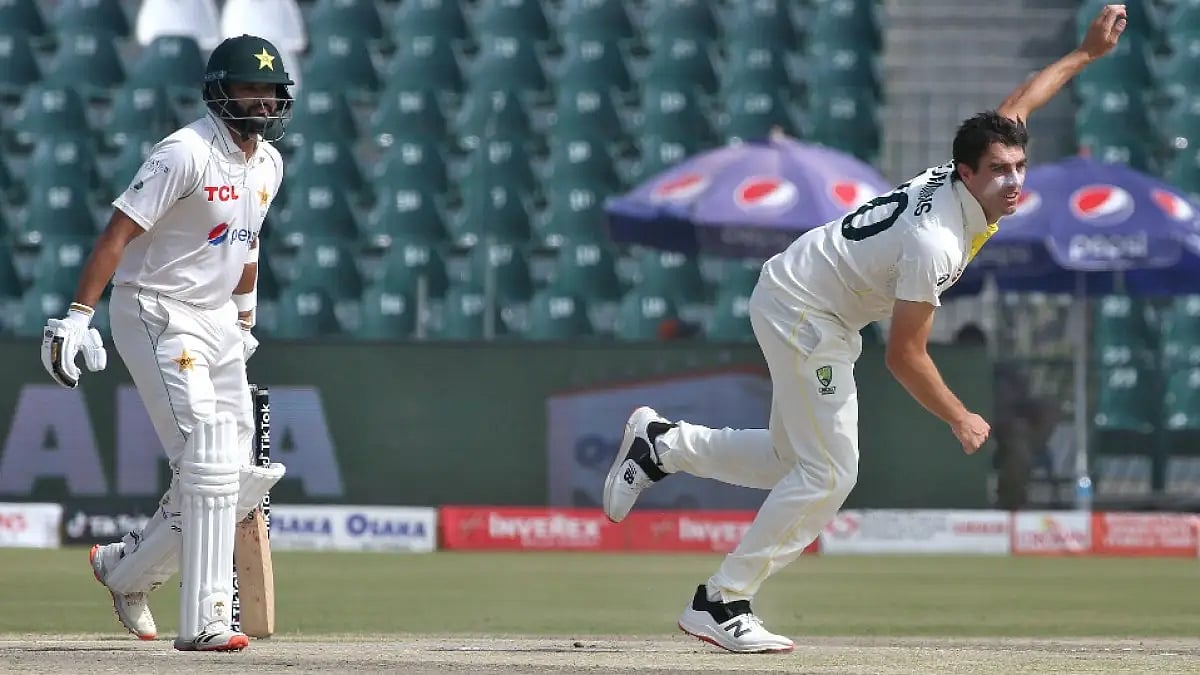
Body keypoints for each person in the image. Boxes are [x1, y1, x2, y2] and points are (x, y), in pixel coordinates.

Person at [602, 5, 1128, 654]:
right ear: (966, 172)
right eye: (999, 169)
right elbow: (905, 356)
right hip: (805, 308)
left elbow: (1021, 101)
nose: (1014, 179)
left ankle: (664, 444)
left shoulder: (972, 176)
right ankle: (722, 598)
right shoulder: (935, 241)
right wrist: (960, 415)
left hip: (808, 297)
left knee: (792, 461)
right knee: (829, 473)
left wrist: (1085, 55)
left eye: (1019, 165)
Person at [39, 34, 291, 652]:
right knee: (206, 461)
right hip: (156, 310)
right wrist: (77, 316)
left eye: (270, 90)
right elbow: (118, 233)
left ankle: (125, 571)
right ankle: (205, 622)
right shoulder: (182, 153)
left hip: (216, 320)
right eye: (248, 88)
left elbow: (246, 242)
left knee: (239, 478)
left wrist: (243, 317)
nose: (261, 101)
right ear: (219, 91)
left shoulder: (269, 166)